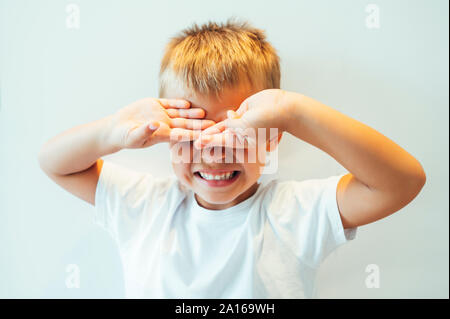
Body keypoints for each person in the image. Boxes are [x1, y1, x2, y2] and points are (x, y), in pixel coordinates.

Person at [38, 19, 426, 298]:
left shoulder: (296, 212)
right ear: (168, 138)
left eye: (235, 130)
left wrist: (294, 112)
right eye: (193, 129)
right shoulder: (143, 205)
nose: (213, 149)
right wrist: (113, 130)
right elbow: (54, 162)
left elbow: (402, 181)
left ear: (272, 139)